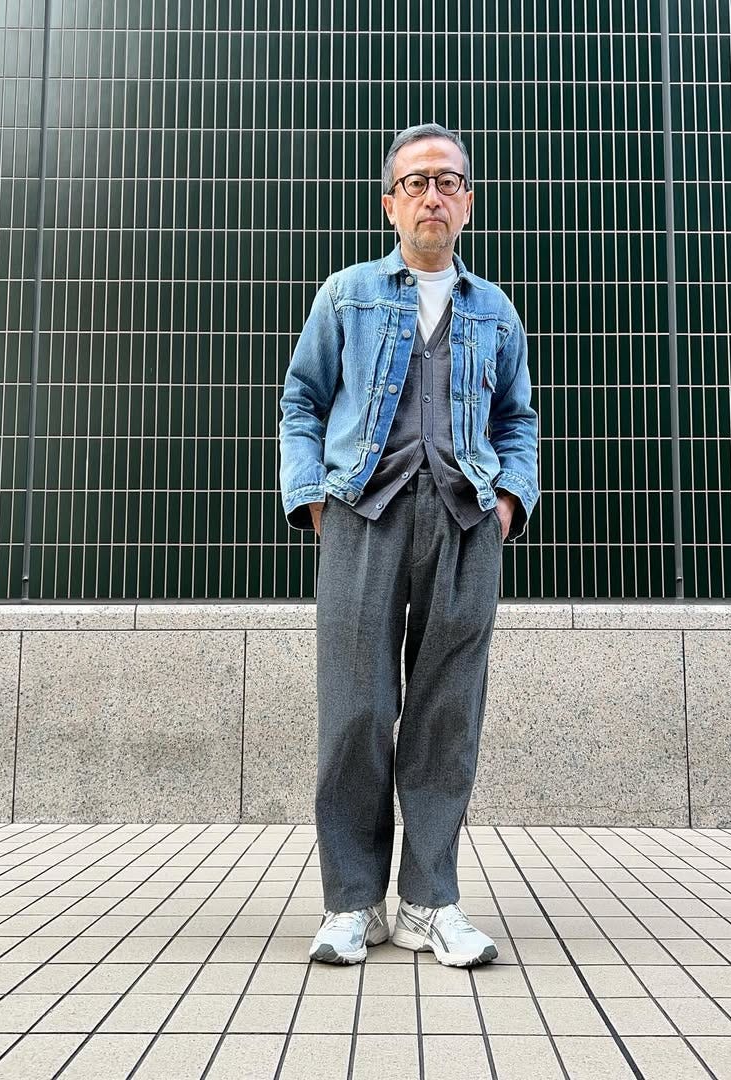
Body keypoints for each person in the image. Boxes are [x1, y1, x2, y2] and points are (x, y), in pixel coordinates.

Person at [278, 123, 539, 967]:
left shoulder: (494, 310)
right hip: (364, 511)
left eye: (449, 181)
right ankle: (353, 902)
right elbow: (302, 401)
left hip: (466, 521)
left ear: (468, 201)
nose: (434, 194)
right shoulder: (347, 294)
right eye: (417, 181)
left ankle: (430, 901)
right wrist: (314, 500)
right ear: (390, 202)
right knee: (356, 707)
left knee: (445, 715)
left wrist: (509, 498)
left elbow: (517, 419)